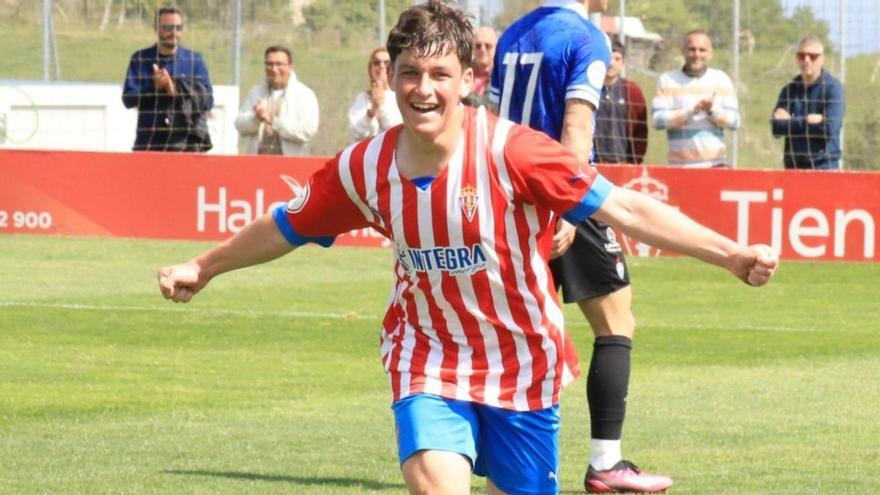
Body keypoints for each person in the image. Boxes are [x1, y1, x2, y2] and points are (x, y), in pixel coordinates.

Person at [157, 2, 779, 494]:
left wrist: (729, 254)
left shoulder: (515, 151)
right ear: (391, 75)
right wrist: (204, 266)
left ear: (467, 80)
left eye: (439, 76)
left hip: (522, 364)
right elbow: (286, 225)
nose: (422, 90)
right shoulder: (364, 166)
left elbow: (627, 207)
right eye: (409, 74)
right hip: (427, 358)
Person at [491, 1, 672, 492]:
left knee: (511, 327)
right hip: (559, 190)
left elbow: (491, 118)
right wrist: (566, 208)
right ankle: (605, 464)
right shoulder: (585, 36)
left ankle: (489, 452)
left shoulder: (511, 36)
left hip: (506, 192)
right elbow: (575, 128)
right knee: (616, 321)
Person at [122, 6, 213, 152]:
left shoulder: (194, 60)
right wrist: (154, 87)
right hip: (149, 145)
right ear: (156, 28)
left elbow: (208, 100)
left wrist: (176, 89)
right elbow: (128, 99)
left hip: (186, 147)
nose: (174, 33)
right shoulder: (140, 58)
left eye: (178, 27)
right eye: (168, 27)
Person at [652, 30, 740, 167]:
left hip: (715, 165)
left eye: (702, 50)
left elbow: (735, 122)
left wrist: (712, 111)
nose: (696, 54)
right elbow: (657, 120)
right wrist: (691, 111)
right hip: (679, 167)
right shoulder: (667, 80)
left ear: (710, 53)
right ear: (683, 51)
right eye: (692, 49)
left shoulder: (721, 79)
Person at [770, 35, 845, 170]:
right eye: (801, 56)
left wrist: (791, 121)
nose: (806, 60)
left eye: (812, 56)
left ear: (822, 59)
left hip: (823, 167)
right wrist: (807, 120)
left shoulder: (833, 89)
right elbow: (776, 128)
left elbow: (830, 128)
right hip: (793, 167)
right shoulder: (789, 90)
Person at [235, 45, 319, 156]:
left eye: (279, 64)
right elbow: (240, 125)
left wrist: (274, 121)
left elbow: (308, 131)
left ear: (289, 66)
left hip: (291, 165)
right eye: (269, 64)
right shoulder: (255, 92)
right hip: (257, 164)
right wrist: (256, 118)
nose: (274, 69)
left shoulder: (304, 95)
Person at [594, 39, 648, 164]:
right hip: (592, 163)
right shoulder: (589, 88)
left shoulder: (632, 91)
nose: (611, 63)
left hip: (622, 163)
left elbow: (641, 130)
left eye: (617, 59)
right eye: (608, 58)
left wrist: (634, 161)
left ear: (623, 62)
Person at [347, 47, 402, 141]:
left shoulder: (400, 96)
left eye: (387, 62)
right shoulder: (363, 98)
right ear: (370, 68)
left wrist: (381, 106)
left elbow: (397, 129)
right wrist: (372, 111)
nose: (381, 66)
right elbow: (355, 132)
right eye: (376, 62)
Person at [463, 26, 497, 107]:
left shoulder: (501, 77)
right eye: (478, 46)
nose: (482, 50)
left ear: (497, 48)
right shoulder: (462, 74)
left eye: (488, 46)